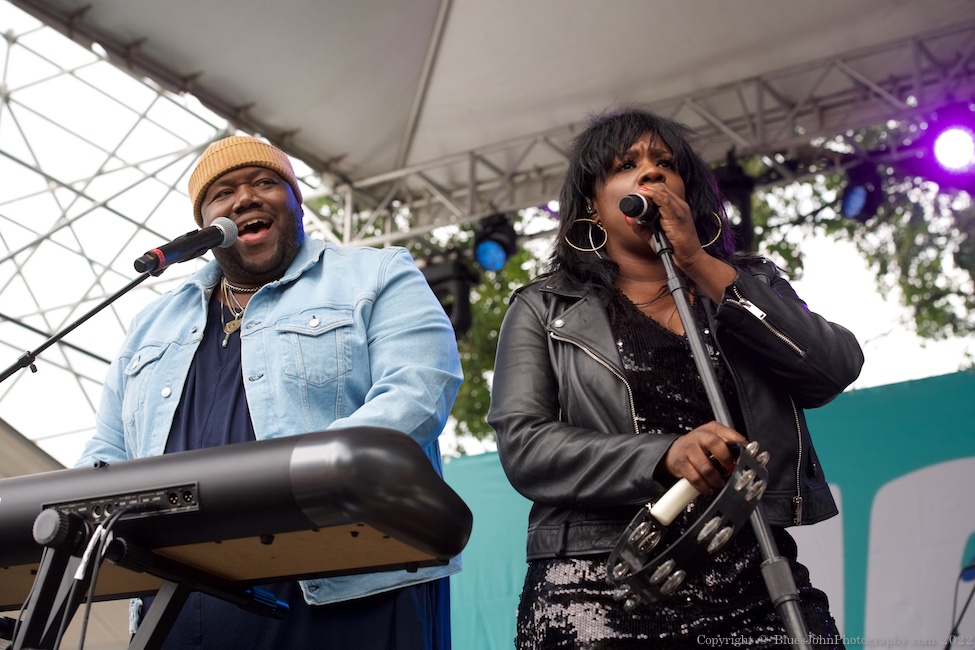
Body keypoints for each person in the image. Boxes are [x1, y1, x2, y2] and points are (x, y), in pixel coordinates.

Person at [487, 107, 864, 649]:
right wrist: (662, 456)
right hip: (600, 583)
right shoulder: (544, 308)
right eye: (626, 165)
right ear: (592, 205)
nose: (651, 172)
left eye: (665, 163)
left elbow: (832, 368)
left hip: (754, 573)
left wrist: (698, 262)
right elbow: (525, 446)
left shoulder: (745, 282)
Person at [75, 135, 464, 649]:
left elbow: (418, 391)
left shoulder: (376, 273)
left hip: (349, 583)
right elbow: (106, 453)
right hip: (179, 604)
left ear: (296, 203)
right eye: (223, 192)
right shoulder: (151, 323)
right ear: (205, 225)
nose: (245, 199)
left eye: (265, 182)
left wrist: (300, 481)